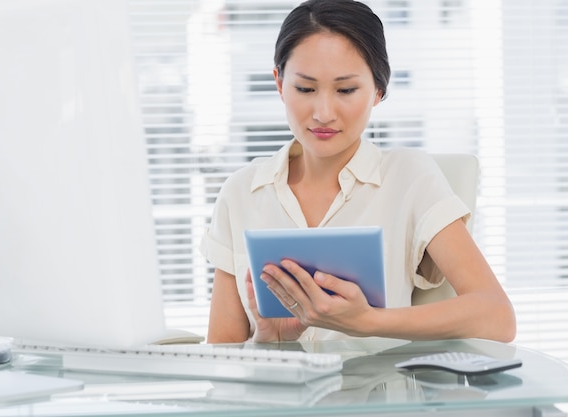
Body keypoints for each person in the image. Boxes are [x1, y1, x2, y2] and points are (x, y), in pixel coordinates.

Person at [200, 0, 516, 344]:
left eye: (346, 90)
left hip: (382, 395)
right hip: (276, 397)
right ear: (279, 83)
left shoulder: (410, 177)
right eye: (305, 89)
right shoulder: (241, 192)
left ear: (378, 90)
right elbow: (223, 358)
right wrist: (271, 342)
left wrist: (368, 321)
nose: (323, 112)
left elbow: (497, 317)